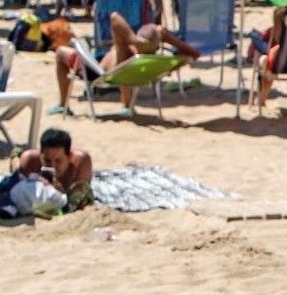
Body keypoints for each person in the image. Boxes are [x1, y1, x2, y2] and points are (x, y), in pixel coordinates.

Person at [51, 13, 201, 116]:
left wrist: (134, 39)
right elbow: (195, 54)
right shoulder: (157, 60)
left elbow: (114, 17)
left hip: (98, 74)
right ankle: (126, 105)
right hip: (126, 74)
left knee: (60, 52)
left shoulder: (126, 50)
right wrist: (169, 38)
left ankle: (63, 105)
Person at [15, 128, 94, 210]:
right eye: (47, 160)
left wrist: (61, 192)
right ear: (40, 155)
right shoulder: (30, 160)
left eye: (58, 161)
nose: (52, 166)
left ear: (70, 157)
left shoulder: (80, 162)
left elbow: (80, 199)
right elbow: (15, 179)